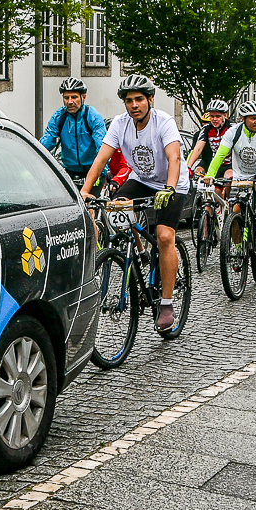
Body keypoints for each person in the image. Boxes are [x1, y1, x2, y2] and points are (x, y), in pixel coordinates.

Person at [81, 75, 191, 332]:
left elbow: (174, 158)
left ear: (150, 99)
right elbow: (101, 159)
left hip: (172, 182)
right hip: (141, 179)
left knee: (164, 237)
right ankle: (141, 251)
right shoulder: (120, 124)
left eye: (139, 99)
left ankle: (166, 303)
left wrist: (170, 188)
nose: (134, 105)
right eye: (129, 101)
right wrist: (85, 192)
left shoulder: (164, 122)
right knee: (117, 207)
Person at [204, 99, 256, 249]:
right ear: (243, 119)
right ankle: (238, 250)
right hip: (240, 176)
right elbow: (219, 155)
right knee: (233, 213)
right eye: (253, 118)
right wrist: (210, 174)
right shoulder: (233, 133)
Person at [41, 78, 107, 185]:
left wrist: (102, 172)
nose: (70, 102)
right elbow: (46, 142)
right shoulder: (59, 117)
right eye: (66, 98)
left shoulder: (92, 116)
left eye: (74, 97)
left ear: (83, 97)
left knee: (89, 196)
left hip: (93, 170)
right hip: (69, 172)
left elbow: (102, 147)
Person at [187, 98, 233, 193]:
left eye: (218, 116)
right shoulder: (206, 129)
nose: (214, 119)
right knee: (213, 190)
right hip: (214, 164)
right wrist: (188, 167)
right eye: (212, 116)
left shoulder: (232, 128)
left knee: (228, 181)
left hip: (230, 164)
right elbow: (198, 149)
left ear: (225, 115)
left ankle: (229, 201)